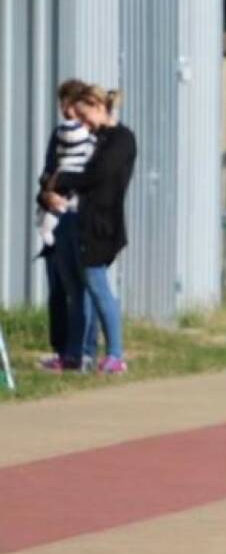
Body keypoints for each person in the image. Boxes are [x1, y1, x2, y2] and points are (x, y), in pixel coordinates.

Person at [43, 85, 136, 376]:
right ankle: (74, 354)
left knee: (98, 288)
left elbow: (96, 176)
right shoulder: (94, 138)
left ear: (99, 107)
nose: (84, 124)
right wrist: (51, 186)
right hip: (76, 220)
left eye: (85, 117)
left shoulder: (120, 140)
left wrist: (62, 178)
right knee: (75, 289)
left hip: (100, 225)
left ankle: (115, 354)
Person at [34, 79, 93, 371]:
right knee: (57, 288)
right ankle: (60, 350)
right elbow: (47, 172)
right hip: (54, 216)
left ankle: (85, 349)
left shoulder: (94, 138)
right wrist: (47, 193)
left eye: (65, 103)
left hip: (79, 218)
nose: (64, 110)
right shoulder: (57, 136)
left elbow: (92, 179)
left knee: (83, 288)